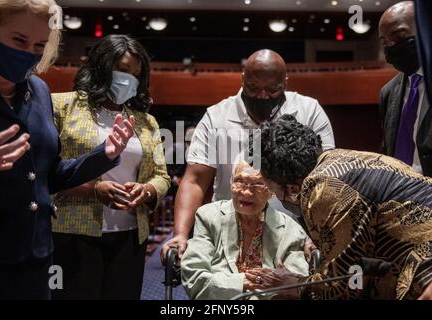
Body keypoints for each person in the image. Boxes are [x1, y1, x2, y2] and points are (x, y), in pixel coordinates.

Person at [0, 0, 135, 300]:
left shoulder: (38, 90)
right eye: (19, 40)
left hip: (36, 259)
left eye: (40, 44)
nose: (29, 53)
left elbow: (48, 176)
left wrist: (104, 154)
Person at [162, 49, 335, 261]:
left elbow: (324, 178)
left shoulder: (308, 110)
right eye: (253, 88)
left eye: (272, 90)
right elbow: (195, 179)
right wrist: (180, 234)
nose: (262, 96)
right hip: (231, 229)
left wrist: (317, 232)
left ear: (285, 83)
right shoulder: (217, 117)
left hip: (293, 231)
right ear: (243, 79)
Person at [257, 114, 432, 300]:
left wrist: (296, 286)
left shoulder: (322, 188)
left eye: (274, 191)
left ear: (292, 189)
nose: (276, 197)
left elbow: (342, 287)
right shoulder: (339, 158)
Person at [51, 35, 170, 300]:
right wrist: (95, 190)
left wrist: (148, 190)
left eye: (137, 74)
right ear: (102, 66)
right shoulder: (61, 106)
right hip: (71, 233)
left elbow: (161, 176)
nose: (130, 80)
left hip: (129, 237)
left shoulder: (145, 121)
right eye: (123, 70)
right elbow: (45, 172)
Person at [181, 161, 308, 300]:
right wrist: (243, 282)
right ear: (231, 185)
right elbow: (194, 277)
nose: (246, 192)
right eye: (239, 181)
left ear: (271, 190)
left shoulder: (291, 230)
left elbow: (297, 286)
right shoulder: (209, 217)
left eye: (257, 184)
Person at [379, 1, 431, 176]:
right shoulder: (388, 92)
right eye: (385, 42)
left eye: (400, 37)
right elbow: (388, 149)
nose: (392, 46)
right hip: (398, 194)